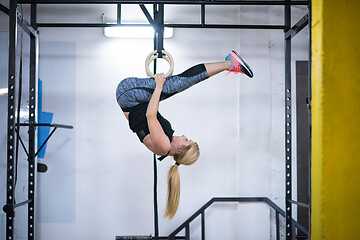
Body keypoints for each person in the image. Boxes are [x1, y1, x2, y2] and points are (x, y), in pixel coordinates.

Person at [116, 50, 253, 219]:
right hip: (134, 99)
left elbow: (150, 115)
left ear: (181, 149)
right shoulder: (166, 144)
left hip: (128, 95)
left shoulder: (163, 146)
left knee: (176, 85)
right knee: (177, 84)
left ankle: (229, 63)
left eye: (187, 140)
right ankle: (228, 63)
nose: (184, 136)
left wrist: (159, 85)